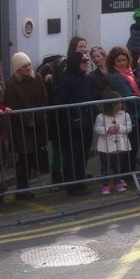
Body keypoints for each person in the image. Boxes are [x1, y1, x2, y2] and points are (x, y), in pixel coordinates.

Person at [5, 52, 50, 198]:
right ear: (17, 68)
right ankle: (22, 189)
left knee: (33, 156)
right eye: (24, 66)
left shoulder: (38, 78)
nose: (28, 68)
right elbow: (13, 105)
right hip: (22, 128)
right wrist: (27, 121)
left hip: (38, 124)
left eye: (29, 65)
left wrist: (40, 116)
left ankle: (27, 187)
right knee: (24, 159)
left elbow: (43, 97)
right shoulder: (11, 83)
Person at [53, 51, 95, 195]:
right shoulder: (66, 79)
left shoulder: (86, 78)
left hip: (86, 123)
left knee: (83, 155)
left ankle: (81, 183)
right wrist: (71, 118)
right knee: (72, 156)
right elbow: (61, 103)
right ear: (75, 62)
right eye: (84, 61)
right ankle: (72, 186)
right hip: (72, 126)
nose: (87, 63)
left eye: (87, 60)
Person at [94, 90, 133, 195]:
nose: (120, 105)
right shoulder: (100, 117)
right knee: (105, 166)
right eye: (117, 104)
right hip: (105, 146)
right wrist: (107, 129)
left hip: (120, 144)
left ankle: (117, 182)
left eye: (120, 103)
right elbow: (97, 129)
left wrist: (120, 128)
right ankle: (105, 185)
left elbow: (129, 128)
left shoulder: (125, 115)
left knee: (118, 165)